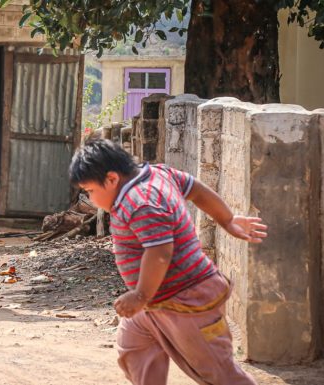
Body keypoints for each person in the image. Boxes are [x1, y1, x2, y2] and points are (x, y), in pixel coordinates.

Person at [69, 139, 267, 385]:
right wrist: (227, 219)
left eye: (90, 191)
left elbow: (160, 252)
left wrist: (140, 295)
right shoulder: (158, 174)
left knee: (218, 372)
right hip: (157, 302)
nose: (90, 198)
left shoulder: (139, 202)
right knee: (134, 344)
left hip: (186, 301)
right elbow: (196, 189)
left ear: (111, 179)